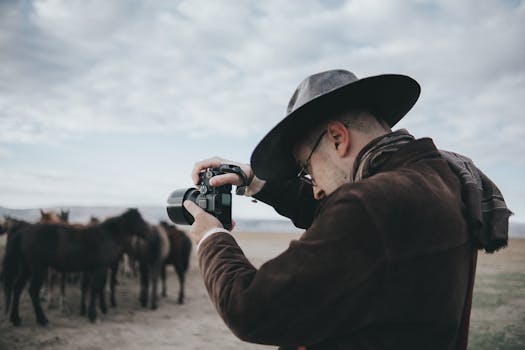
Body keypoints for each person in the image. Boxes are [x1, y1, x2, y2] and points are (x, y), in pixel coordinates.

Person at [183, 70, 510, 350]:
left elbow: (251, 308)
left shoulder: (372, 205)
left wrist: (211, 237)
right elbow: (331, 213)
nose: (315, 187)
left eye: (306, 170)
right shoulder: (438, 178)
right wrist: (253, 180)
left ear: (338, 138)